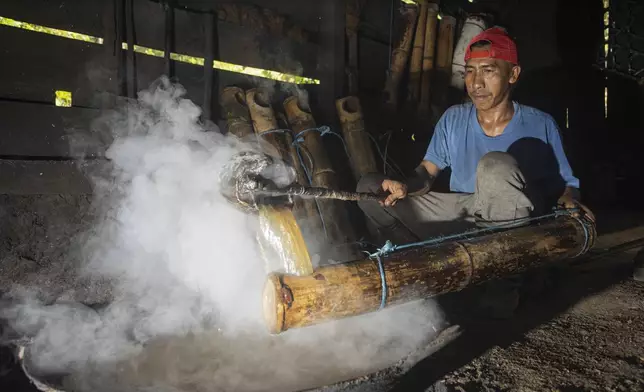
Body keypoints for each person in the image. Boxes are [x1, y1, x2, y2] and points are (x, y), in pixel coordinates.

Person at [357, 27, 595, 318]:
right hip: (464, 213)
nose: (476, 83)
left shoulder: (540, 124)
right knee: (369, 189)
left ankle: (502, 286)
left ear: (513, 74)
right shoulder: (454, 118)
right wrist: (404, 185)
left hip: (512, 222)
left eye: (488, 71)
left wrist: (570, 201)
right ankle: (427, 266)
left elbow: (567, 185)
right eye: (470, 71)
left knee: (495, 165)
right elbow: (426, 173)